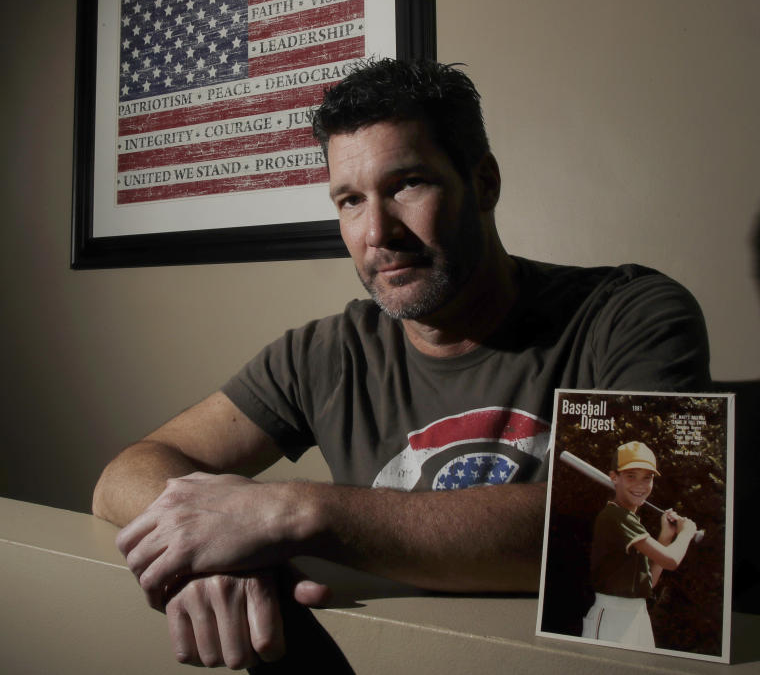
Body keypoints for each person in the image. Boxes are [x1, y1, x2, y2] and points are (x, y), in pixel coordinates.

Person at [92, 58, 710, 670]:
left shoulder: (629, 314)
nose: (377, 232)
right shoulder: (326, 353)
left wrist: (295, 513)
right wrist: (213, 553)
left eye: (407, 184)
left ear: (485, 182)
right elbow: (125, 476)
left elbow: (650, 534)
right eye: (351, 200)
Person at [581, 441, 698, 646]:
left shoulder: (630, 519)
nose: (640, 485)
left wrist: (665, 537)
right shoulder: (615, 517)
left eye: (647, 478)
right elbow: (671, 561)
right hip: (611, 617)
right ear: (614, 477)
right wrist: (687, 533)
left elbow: (648, 583)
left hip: (637, 615)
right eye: (631, 476)